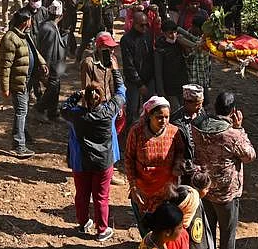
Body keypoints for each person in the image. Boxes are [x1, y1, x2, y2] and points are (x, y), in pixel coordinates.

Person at [60, 64, 125, 242]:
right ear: (102, 98)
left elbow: (64, 108)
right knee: (101, 196)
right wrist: (115, 71)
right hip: (103, 162)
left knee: (81, 194)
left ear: (86, 99)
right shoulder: (109, 111)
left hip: (81, 161)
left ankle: (83, 224)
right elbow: (121, 92)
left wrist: (77, 95)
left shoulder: (77, 115)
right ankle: (102, 230)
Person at [192, 92, 257, 249]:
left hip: (205, 189)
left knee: (208, 233)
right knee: (228, 235)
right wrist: (240, 128)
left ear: (215, 107)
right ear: (233, 111)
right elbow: (250, 156)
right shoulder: (232, 135)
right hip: (226, 194)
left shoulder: (198, 125)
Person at [125, 96, 186, 231]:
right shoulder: (136, 132)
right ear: (149, 116)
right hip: (143, 190)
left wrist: (177, 166)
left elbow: (180, 152)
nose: (163, 121)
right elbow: (129, 158)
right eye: (159, 117)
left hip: (167, 190)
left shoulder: (174, 132)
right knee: (146, 226)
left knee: (164, 226)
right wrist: (134, 187)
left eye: (166, 117)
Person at [0, 10, 48, 158]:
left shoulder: (24, 35)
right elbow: (5, 66)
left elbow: (33, 51)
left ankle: (21, 135)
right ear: (25, 22)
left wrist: (42, 63)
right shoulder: (10, 39)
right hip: (18, 82)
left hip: (27, 81)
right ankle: (19, 145)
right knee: (21, 111)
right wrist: (5, 88)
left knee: (23, 110)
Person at [120, 11, 155, 130]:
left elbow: (151, 57)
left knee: (149, 109)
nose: (144, 27)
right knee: (132, 110)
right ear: (134, 24)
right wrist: (139, 83)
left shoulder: (148, 35)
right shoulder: (126, 39)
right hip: (133, 81)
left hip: (148, 78)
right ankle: (130, 135)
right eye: (141, 25)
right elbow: (128, 65)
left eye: (146, 24)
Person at [35, 0, 68, 120]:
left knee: (56, 87)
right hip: (51, 65)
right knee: (53, 88)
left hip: (55, 64)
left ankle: (53, 112)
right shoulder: (50, 29)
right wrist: (46, 68)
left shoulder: (48, 25)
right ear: (60, 15)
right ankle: (40, 107)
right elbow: (48, 51)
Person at [170, 84, 207, 173]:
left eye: (201, 103)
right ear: (187, 103)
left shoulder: (201, 113)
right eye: (197, 104)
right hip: (185, 167)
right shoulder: (176, 123)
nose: (200, 107)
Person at [155, 20, 190, 109]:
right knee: (176, 110)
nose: (173, 35)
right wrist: (161, 91)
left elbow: (188, 57)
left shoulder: (179, 43)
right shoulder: (160, 49)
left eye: (175, 32)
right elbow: (158, 71)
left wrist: (185, 46)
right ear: (164, 33)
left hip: (182, 83)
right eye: (170, 33)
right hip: (169, 87)